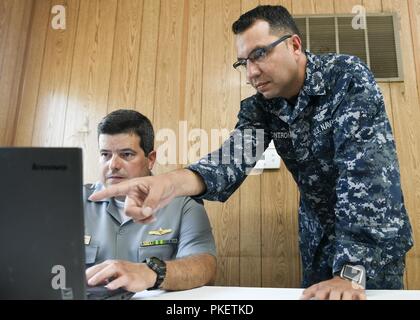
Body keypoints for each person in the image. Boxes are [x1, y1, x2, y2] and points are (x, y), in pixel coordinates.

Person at [89, 6, 413, 299]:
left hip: (370, 243)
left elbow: (366, 177)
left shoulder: (345, 77)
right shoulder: (262, 107)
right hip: (318, 241)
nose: (251, 73)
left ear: (294, 45)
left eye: (260, 54)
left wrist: (351, 271)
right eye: (244, 62)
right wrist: (168, 184)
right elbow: (229, 161)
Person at [84, 109, 217, 293]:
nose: (113, 165)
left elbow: (205, 267)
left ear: (151, 159)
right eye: (105, 154)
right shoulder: (73, 201)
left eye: (126, 154)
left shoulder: (184, 204)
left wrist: (151, 272)